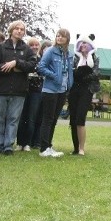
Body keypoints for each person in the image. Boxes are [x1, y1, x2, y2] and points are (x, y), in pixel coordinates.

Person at [0, 21, 35, 155]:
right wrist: (9, 68)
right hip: (1, 89)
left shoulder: (27, 49)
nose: (19, 31)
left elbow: (32, 65)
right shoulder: (0, 47)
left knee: (13, 119)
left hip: (19, 91)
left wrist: (17, 63)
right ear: (11, 30)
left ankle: (8, 145)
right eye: (17, 28)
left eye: (22, 29)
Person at [36, 28, 73, 157]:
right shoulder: (51, 51)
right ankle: (43, 149)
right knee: (48, 119)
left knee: (54, 119)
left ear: (67, 39)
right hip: (50, 89)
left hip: (62, 90)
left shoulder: (68, 53)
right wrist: (53, 75)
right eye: (58, 36)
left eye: (62, 36)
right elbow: (41, 67)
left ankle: (48, 146)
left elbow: (69, 71)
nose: (59, 38)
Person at [68, 33, 100, 155]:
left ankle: (82, 148)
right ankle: (75, 148)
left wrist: (83, 75)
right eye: (81, 43)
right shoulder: (74, 58)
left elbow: (96, 74)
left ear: (91, 45)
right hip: (74, 90)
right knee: (73, 119)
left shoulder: (95, 58)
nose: (83, 45)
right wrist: (80, 73)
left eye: (86, 42)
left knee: (80, 118)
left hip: (87, 90)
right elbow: (71, 72)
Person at [16, 36, 43, 151]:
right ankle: (19, 142)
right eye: (31, 45)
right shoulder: (25, 58)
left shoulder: (42, 59)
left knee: (32, 118)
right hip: (23, 90)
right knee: (21, 117)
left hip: (36, 92)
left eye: (36, 45)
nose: (34, 47)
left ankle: (27, 143)